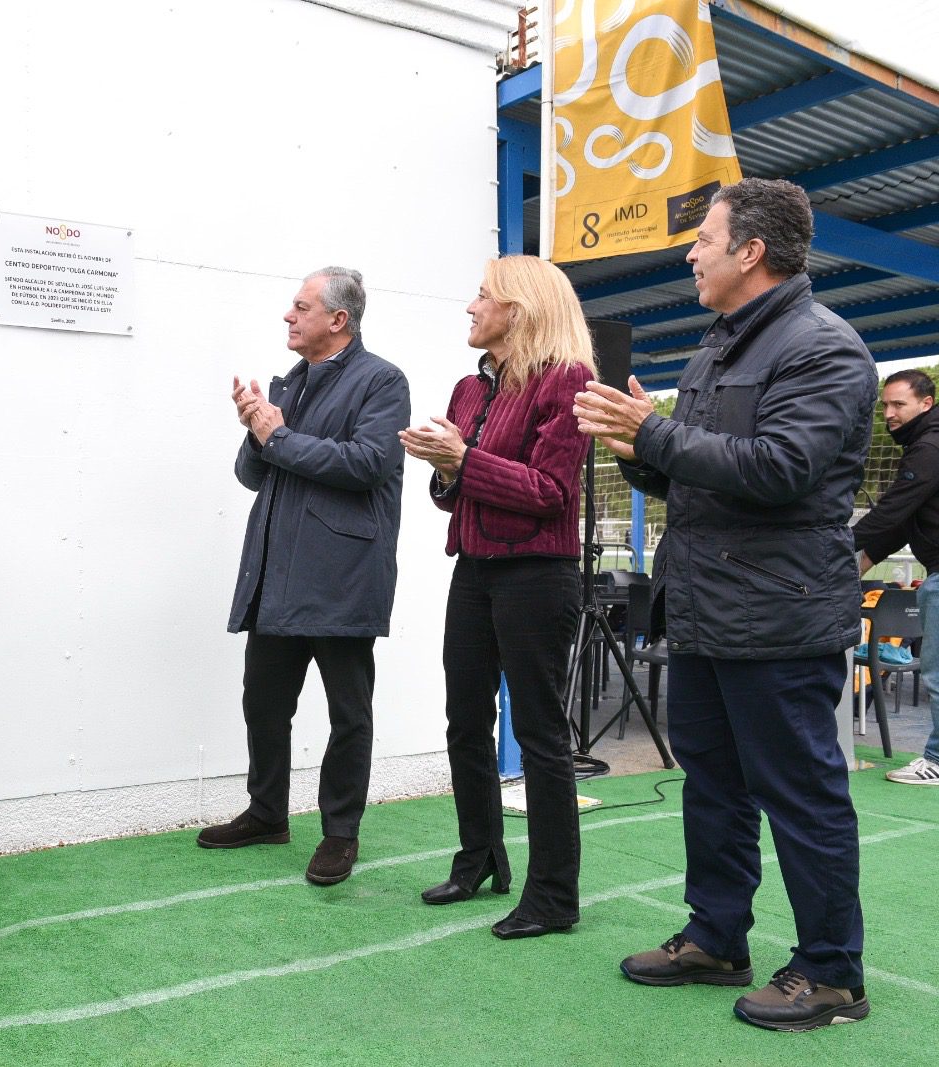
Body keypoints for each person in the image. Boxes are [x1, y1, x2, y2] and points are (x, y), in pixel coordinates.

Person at [574, 177, 877, 1032]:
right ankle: (716, 937)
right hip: (707, 606)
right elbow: (689, 470)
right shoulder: (719, 345)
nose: (690, 251)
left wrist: (656, 431)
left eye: (703, 239)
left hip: (777, 613)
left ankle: (831, 972)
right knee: (711, 782)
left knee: (801, 791)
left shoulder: (826, 348)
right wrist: (635, 443)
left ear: (750, 251)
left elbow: (781, 469)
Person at [399, 255, 595, 939]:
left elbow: (550, 492)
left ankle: (553, 894)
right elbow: (453, 494)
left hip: (538, 573)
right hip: (475, 569)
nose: (471, 307)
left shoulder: (567, 379)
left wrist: (463, 461)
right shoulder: (468, 388)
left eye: (483, 296)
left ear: (520, 307)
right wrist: (443, 467)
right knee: (464, 719)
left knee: (539, 734)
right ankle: (479, 857)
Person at [199, 266, 409, 887]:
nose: (287, 317)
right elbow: (254, 475)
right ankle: (267, 813)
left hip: (341, 577)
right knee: (263, 703)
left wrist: (277, 433)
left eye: (300, 307)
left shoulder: (382, 380)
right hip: (276, 575)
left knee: (349, 713)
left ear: (338, 320)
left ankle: (340, 833)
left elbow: (370, 463)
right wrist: (255, 427)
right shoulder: (288, 382)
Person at [851, 369, 939, 786]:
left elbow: (894, 509)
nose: (889, 413)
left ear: (926, 403)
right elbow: (906, 522)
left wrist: (839, 544)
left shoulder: (929, 446)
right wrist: (864, 558)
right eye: (885, 405)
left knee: (937, 675)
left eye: (899, 404)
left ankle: (936, 760)